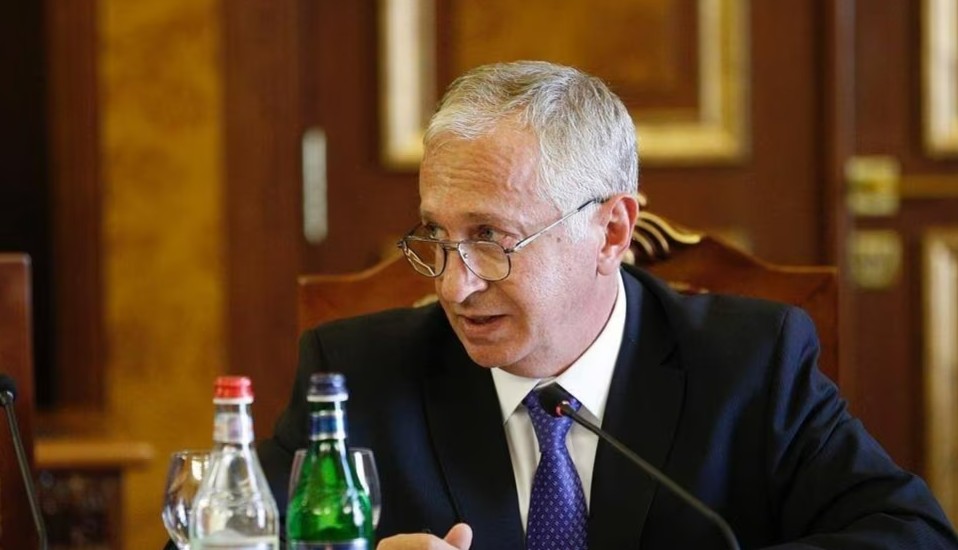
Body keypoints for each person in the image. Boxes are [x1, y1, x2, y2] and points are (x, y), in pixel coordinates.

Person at [257, 60, 958, 549]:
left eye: (490, 238)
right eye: (437, 236)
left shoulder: (751, 363)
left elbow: (912, 535)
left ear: (612, 232)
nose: (452, 285)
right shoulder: (354, 379)